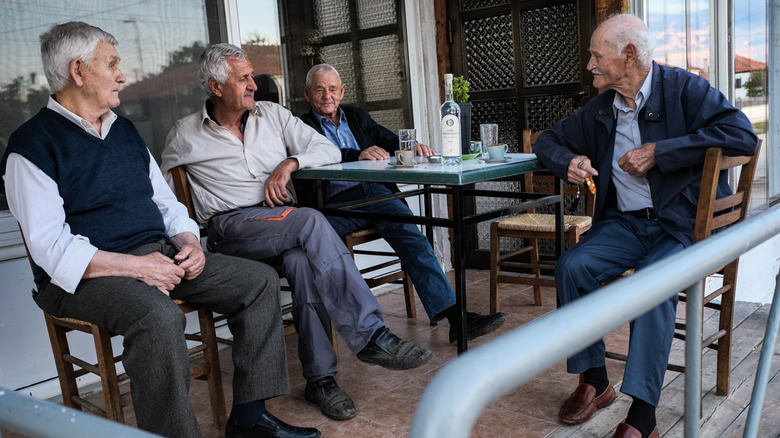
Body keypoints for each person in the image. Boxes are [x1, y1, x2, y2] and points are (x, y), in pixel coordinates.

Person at [0, 22, 320, 438]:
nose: (122, 75)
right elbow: (50, 248)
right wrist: (137, 269)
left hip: (157, 254)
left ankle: (249, 418)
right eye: (112, 64)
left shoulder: (124, 131)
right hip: (80, 276)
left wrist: (189, 242)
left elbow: (167, 205)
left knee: (258, 281)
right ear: (78, 71)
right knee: (157, 317)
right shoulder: (32, 145)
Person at [160, 43, 433, 422]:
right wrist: (182, 241)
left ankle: (321, 380)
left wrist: (290, 163)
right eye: (243, 78)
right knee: (309, 220)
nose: (254, 85)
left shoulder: (272, 115)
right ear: (216, 86)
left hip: (281, 221)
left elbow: (329, 150)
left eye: (252, 75)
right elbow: (161, 197)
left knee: (303, 262)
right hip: (232, 227)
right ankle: (370, 335)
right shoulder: (186, 134)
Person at [533, 14, 758, 438]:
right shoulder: (601, 107)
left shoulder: (684, 89)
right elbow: (546, 140)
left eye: (597, 56)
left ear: (629, 55)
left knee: (652, 285)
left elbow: (742, 134)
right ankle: (596, 381)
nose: (590, 65)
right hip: (626, 225)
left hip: (682, 226)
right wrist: (570, 162)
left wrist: (661, 151)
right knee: (572, 266)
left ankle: (643, 418)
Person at [299, 63, 507, 345]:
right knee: (316, 251)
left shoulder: (357, 117)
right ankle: (352, 333)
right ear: (307, 93)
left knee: (415, 238)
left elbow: (386, 137)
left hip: (376, 194)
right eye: (320, 90)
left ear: (342, 91)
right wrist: (357, 153)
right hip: (335, 205)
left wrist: (410, 145)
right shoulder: (302, 126)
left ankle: (457, 320)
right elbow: (318, 154)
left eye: (333, 89)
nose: (327, 96)